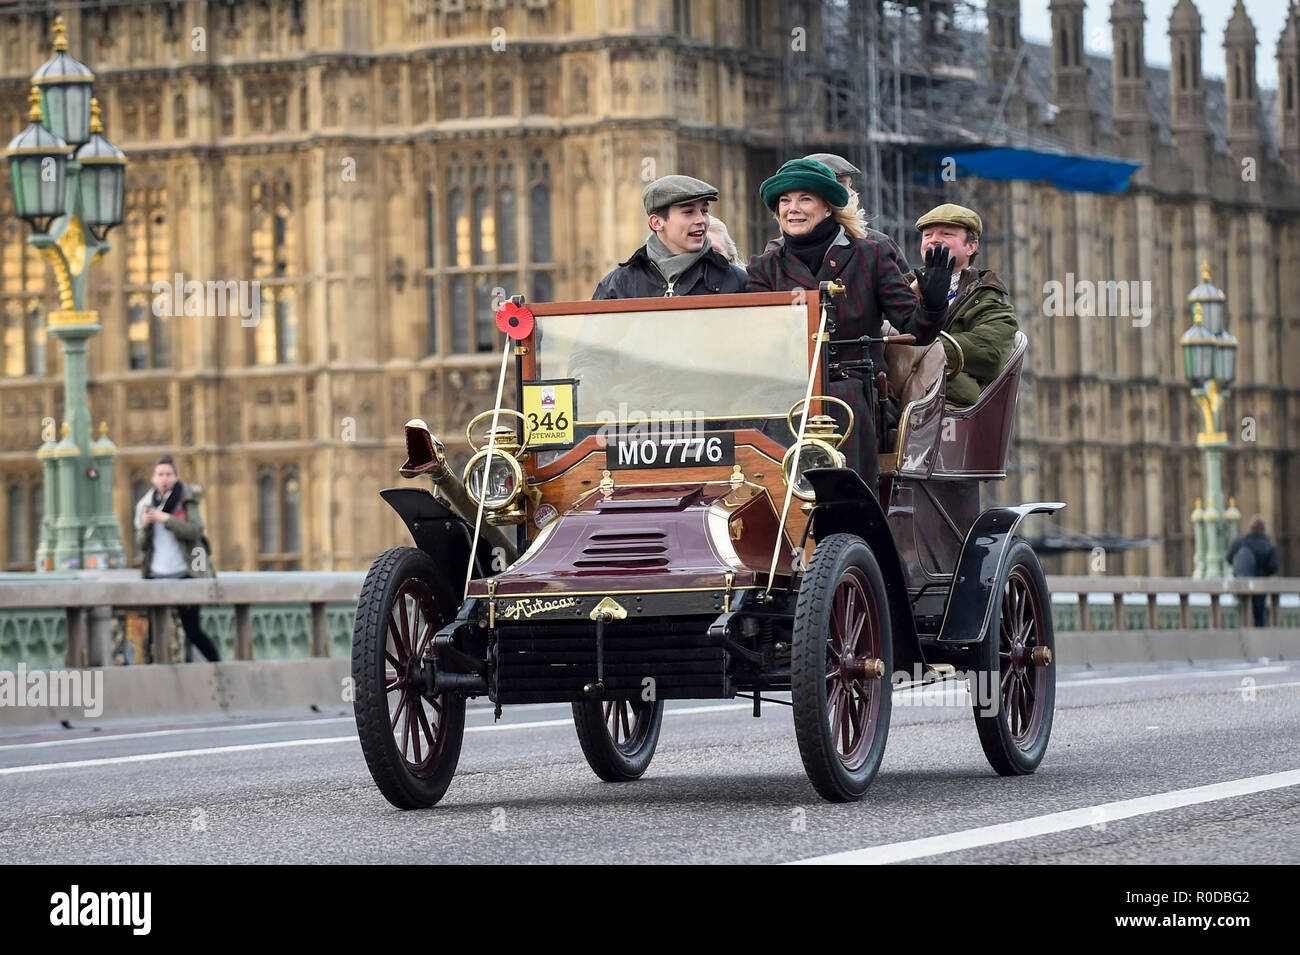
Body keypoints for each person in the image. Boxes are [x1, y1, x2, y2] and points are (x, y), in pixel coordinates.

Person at [746, 157, 954, 490]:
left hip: (853, 389)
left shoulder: (869, 256)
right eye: (785, 201)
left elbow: (915, 329)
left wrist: (932, 300)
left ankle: (849, 518)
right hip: (786, 392)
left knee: (842, 411)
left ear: (828, 207)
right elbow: (754, 338)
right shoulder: (765, 267)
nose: (792, 209)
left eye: (804, 199)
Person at [908, 203, 1018, 407]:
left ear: (971, 246)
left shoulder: (988, 298)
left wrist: (916, 347)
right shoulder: (900, 286)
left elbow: (989, 353)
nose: (934, 240)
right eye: (927, 235)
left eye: (946, 234)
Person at [592, 174, 748, 299]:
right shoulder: (618, 285)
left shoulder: (735, 280)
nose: (701, 220)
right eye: (688, 212)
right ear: (657, 222)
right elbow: (592, 338)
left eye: (704, 211)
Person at [133, 455, 221, 662]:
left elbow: (195, 530)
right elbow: (141, 545)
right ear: (153, 479)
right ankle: (155, 674)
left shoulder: (186, 499)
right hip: (156, 575)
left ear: (175, 477)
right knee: (153, 633)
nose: (164, 478)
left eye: (168, 474)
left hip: (184, 574)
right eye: (160, 474)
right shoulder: (146, 504)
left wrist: (167, 519)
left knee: (192, 630)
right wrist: (145, 528)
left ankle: (218, 665)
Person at [764, 152, 909, 274]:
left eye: (850, 185)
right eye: (840, 184)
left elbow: (905, 300)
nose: (852, 193)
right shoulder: (775, 253)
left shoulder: (878, 245)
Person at [1227, 515, 1281, 627]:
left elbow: (1229, 558)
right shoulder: (1268, 545)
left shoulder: (1240, 541)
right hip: (1260, 586)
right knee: (1259, 615)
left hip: (1241, 584)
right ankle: (1259, 638)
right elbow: (1273, 567)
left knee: (1242, 611)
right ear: (1263, 529)